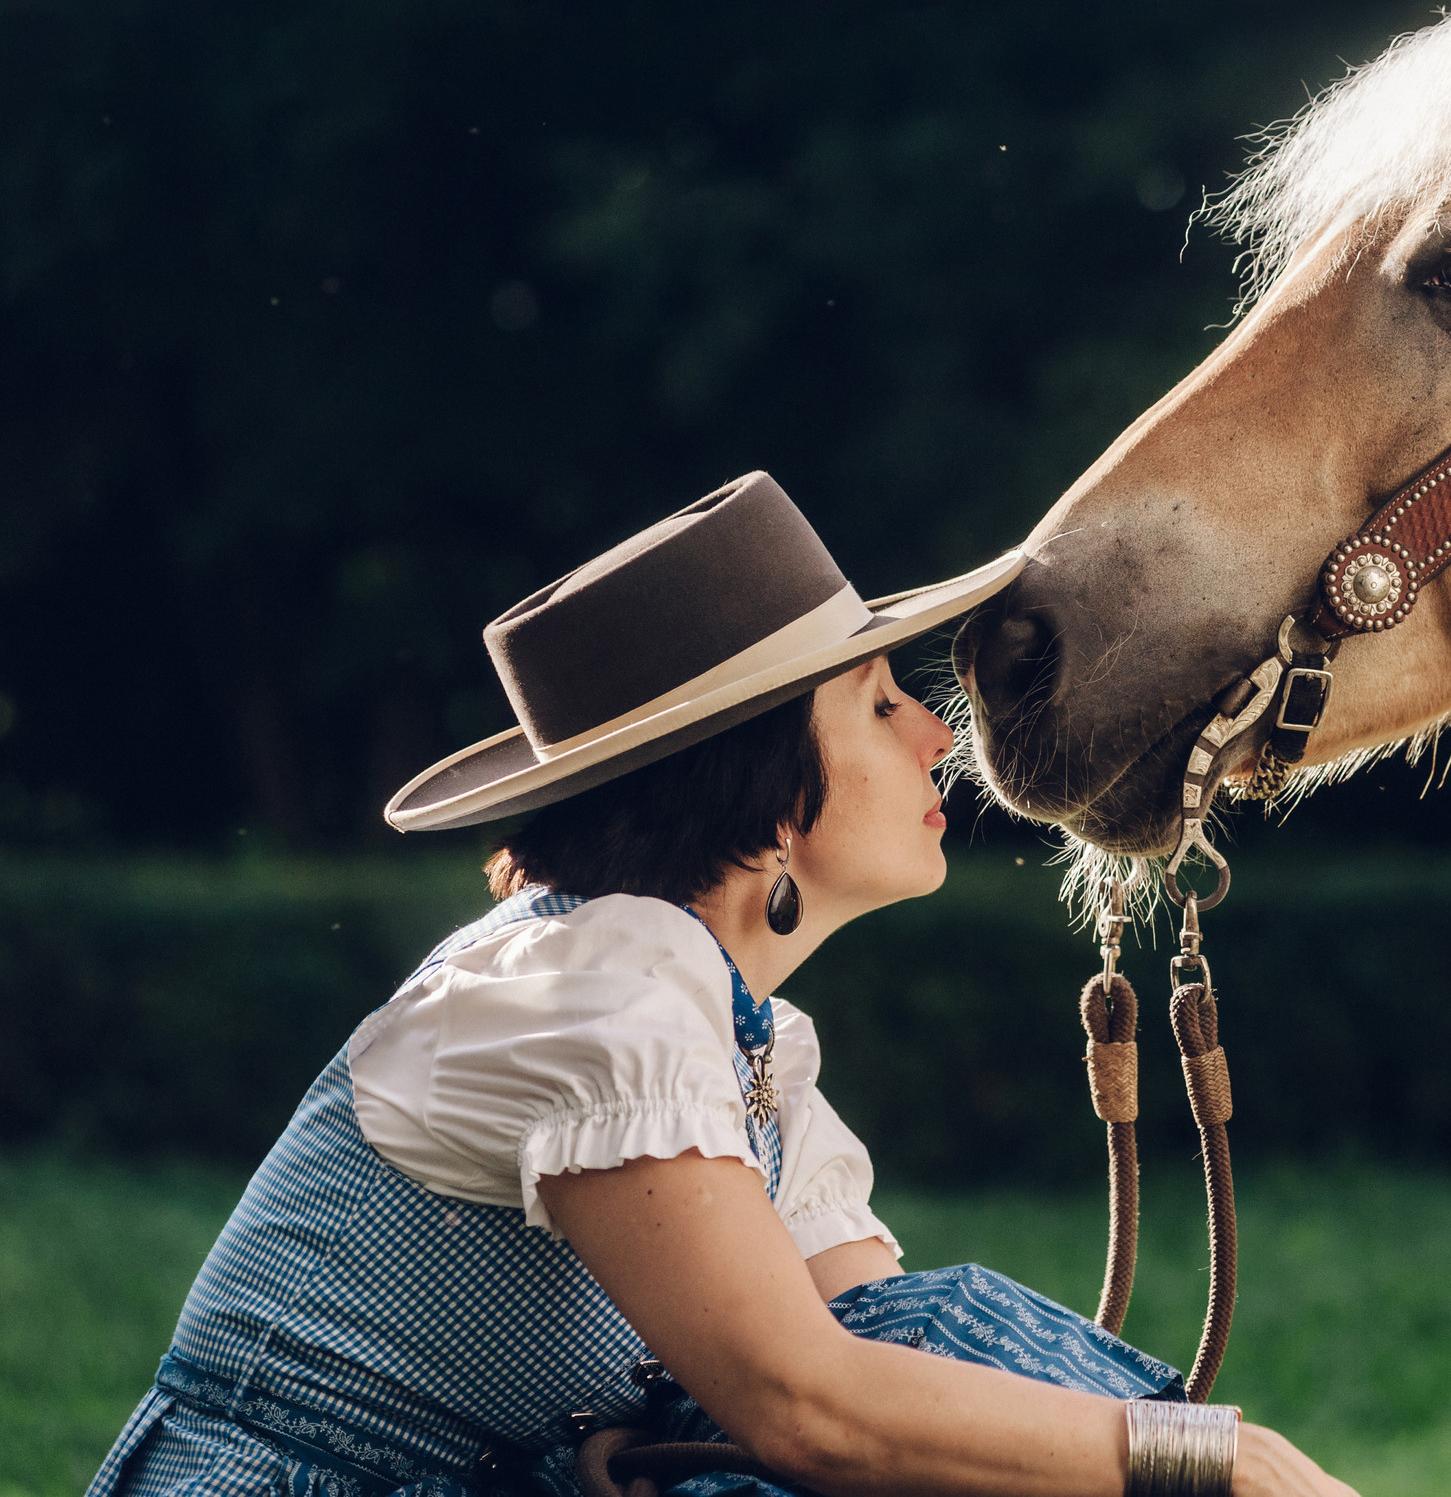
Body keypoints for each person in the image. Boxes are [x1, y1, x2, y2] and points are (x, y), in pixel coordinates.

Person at [88, 473, 1356, 1497]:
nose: (934, 734)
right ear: (758, 791)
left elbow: (900, 1361)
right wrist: (1207, 1460)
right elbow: (807, 1409)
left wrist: (1164, 1451)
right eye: (873, 707)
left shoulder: (738, 1040)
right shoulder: (589, 991)